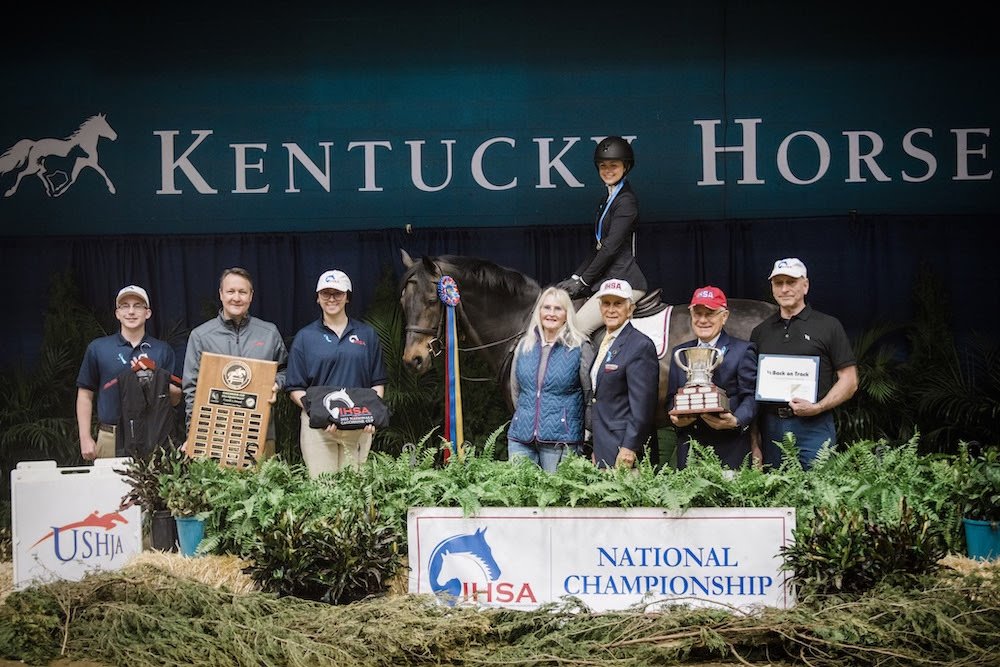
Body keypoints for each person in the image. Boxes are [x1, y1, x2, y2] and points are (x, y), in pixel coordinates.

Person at [750, 258, 858, 470]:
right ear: (772, 288)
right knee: (775, 495)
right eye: (778, 283)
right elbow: (750, 389)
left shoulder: (828, 326)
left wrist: (818, 407)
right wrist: (754, 442)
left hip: (815, 426)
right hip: (771, 427)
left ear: (805, 285)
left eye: (791, 282)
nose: (784, 289)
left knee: (820, 494)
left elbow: (850, 380)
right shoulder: (760, 332)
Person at [285, 269, 388, 477]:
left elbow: (377, 382)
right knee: (323, 491)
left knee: (355, 490)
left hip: (357, 425)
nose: (331, 299)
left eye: (338, 293)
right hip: (319, 430)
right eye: (326, 293)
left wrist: (371, 416)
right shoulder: (305, 337)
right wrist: (320, 414)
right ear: (317, 297)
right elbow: (295, 387)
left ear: (347, 297)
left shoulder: (367, 335)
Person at [182, 267, 288, 458]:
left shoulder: (269, 333)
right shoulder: (201, 336)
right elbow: (191, 388)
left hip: (259, 430)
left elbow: (286, 370)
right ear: (221, 294)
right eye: (231, 291)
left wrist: (276, 384)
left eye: (242, 292)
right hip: (213, 432)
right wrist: (193, 433)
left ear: (251, 296)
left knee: (261, 487)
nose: (236, 298)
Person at [76, 285, 181, 461]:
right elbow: (85, 395)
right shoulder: (98, 348)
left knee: (154, 488)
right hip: (111, 435)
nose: (131, 311)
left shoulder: (163, 350)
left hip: (153, 434)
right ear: (117, 313)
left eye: (138, 305)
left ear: (148, 313)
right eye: (125, 306)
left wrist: (155, 378)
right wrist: (85, 438)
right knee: (108, 488)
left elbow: (175, 399)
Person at [556, 136, 648, 336]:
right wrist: (575, 277)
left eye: (613, 165)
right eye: (603, 165)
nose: (607, 170)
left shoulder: (626, 201)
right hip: (608, 280)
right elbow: (598, 247)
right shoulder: (605, 200)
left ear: (626, 167)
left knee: (574, 330)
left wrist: (583, 282)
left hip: (625, 281)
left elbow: (610, 248)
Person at [667, 286, 758, 470]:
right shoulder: (681, 352)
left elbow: (751, 396)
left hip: (729, 447)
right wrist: (675, 416)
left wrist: (736, 420)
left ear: (724, 317)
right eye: (698, 313)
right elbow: (671, 397)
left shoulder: (743, 350)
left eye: (710, 313)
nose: (702, 320)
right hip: (690, 449)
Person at [507, 287, 595, 472]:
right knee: (519, 495)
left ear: (566, 314)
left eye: (558, 309)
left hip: (561, 439)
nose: (551, 313)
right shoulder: (524, 345)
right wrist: (528, 416)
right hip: (521, 438)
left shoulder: (579, 347)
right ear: (539, 312)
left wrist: (586, 429)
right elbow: (516, 390)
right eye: (546, 308)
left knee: (556, 499)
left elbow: (590, 395)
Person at [588, 278, 659, 469]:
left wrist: (630, 447)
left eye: (618, 304)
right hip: (605, 445)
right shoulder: (606, 341)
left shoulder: (640, 345)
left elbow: (643, 405)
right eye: (606, 303)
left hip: (625, 451)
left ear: (630, 309)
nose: (611, 309)